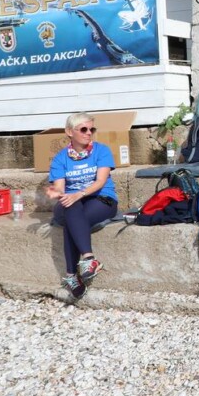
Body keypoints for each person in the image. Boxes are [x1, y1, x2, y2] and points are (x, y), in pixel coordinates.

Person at [45, 112, 119, 294]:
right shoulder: (60, 158)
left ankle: (71, 274)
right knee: (71, 209)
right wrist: (55, 193)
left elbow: (100, 182)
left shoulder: (102, 151)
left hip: (101, 199)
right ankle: (88, 259)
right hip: (73, 203)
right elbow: (60, 189)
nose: (89, 133)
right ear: (70, 132)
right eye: (83, 129)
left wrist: (78, 194)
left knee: (73, 219)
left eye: (91, 129)